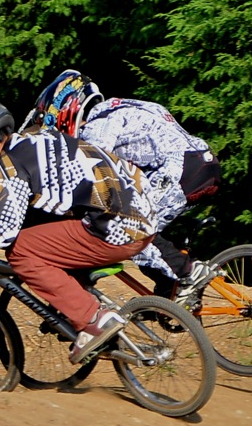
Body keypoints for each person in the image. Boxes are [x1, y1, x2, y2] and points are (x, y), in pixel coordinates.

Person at [0, 90, 157, 363]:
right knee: (46, 233)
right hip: (143, 218)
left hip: (115, 230)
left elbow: (2, 232)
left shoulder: (8, 165)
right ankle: (79, 306)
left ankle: (94, 318)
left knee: (21, 251)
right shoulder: (38, 137)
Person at [25, 70, 223, 301]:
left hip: (179, 172)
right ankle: (170, 292)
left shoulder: (97, 128)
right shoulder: (121, 105)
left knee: (130, 228)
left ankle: (188, 273)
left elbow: (89, 175)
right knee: (141, 220)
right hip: (203, 162)